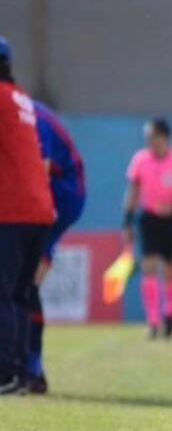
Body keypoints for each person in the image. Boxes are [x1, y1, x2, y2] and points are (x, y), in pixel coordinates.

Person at [0, 37, 55, 394]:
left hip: (11, 210)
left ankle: (5, 373)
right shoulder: (18, 96)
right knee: (18, 295)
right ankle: (20, 373)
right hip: (37, 210)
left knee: (2, 295)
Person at [26, 101, 87, 394]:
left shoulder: (26, 114)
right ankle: (30, 369)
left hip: (57, 196)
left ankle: (30, 368)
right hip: (50, 196)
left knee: (22, 285)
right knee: (22, 284)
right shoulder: (23, 108)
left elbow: (41, 166)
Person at [122, 118, 172, 339]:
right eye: (148, 138)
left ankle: (170, 315)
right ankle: (153, 321)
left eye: (154, 137)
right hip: (149, 219)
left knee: (169, 269)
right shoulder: (140, 160)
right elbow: (133, 191)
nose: (150, 142)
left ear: (165, 137)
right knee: (148, 265)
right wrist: (127, 221)